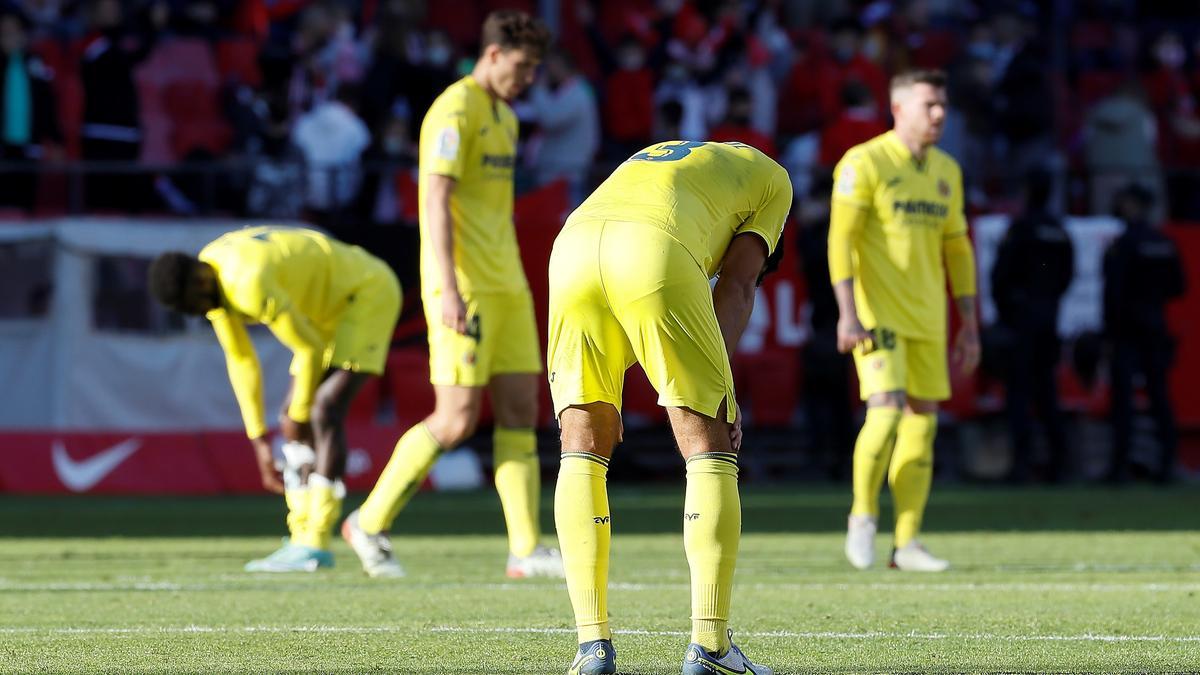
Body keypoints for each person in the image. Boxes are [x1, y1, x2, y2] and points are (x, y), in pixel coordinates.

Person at [548, 140, 791, 675]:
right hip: (652, 250)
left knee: (581, 446)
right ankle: (710, 647)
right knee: (709, 447)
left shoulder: (670, 152)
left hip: (570, 248)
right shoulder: (775, 181)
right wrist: (721, 394)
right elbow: (738, 285)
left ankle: (592, 647)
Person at [341, 10, 562, 580]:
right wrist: (445, 286)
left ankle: (526, 549)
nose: (527, 79)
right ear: (492, 56)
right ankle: (368, 521)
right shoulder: (453, 110)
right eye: (521, 66)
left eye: (535, 69)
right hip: (463, 285)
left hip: (508, 285)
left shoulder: (506, 118)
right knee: (458, 418)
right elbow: (433, 200)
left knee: (521, 410)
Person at [147, 226, 401, 572]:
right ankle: (302, 538)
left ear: (200, 285)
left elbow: (308, 348)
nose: (201, 315)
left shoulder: (246, 282)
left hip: (367, 293)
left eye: (195, 308)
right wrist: (258, 439)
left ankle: (316, 540)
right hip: (326, 314)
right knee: (292, 421)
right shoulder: (209, 271)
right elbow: (241, 360)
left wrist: (298, 414)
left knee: (323, 410)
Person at [829, 69, 979, 573]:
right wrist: (848, 313)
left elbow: (957, 249)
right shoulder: (864, 161)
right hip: (878, 313)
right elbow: (840, 241)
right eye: (928, 105)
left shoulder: (947, 171)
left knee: (923, 425)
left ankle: (907, 542)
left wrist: (969, 323)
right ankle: (863, 516)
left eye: (943, 105)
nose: (939, 114)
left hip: (929, 318)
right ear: (898, 109)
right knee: (886, 411)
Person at [991, 169, 1074, 483]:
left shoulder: (1021, 229)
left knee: (1019, 394)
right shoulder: (1059, 230)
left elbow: (1001, 276)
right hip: (1048, 318)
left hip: (1022, 322)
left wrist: (1009, 311)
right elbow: (1068, 274)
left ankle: (1021, 464)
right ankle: (1059, 464)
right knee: (1048, 392)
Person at [1103, 183, 1186, 484]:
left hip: (1127, 332)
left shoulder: (1123, 244)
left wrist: (1109, 332)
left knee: (1123, 401)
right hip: (1155, 327)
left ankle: (1119, 468)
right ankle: (1166, 465)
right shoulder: (1163, 242)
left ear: (1133, 204)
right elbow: (1178, 286)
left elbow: (1113, 292)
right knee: (1159, 398)